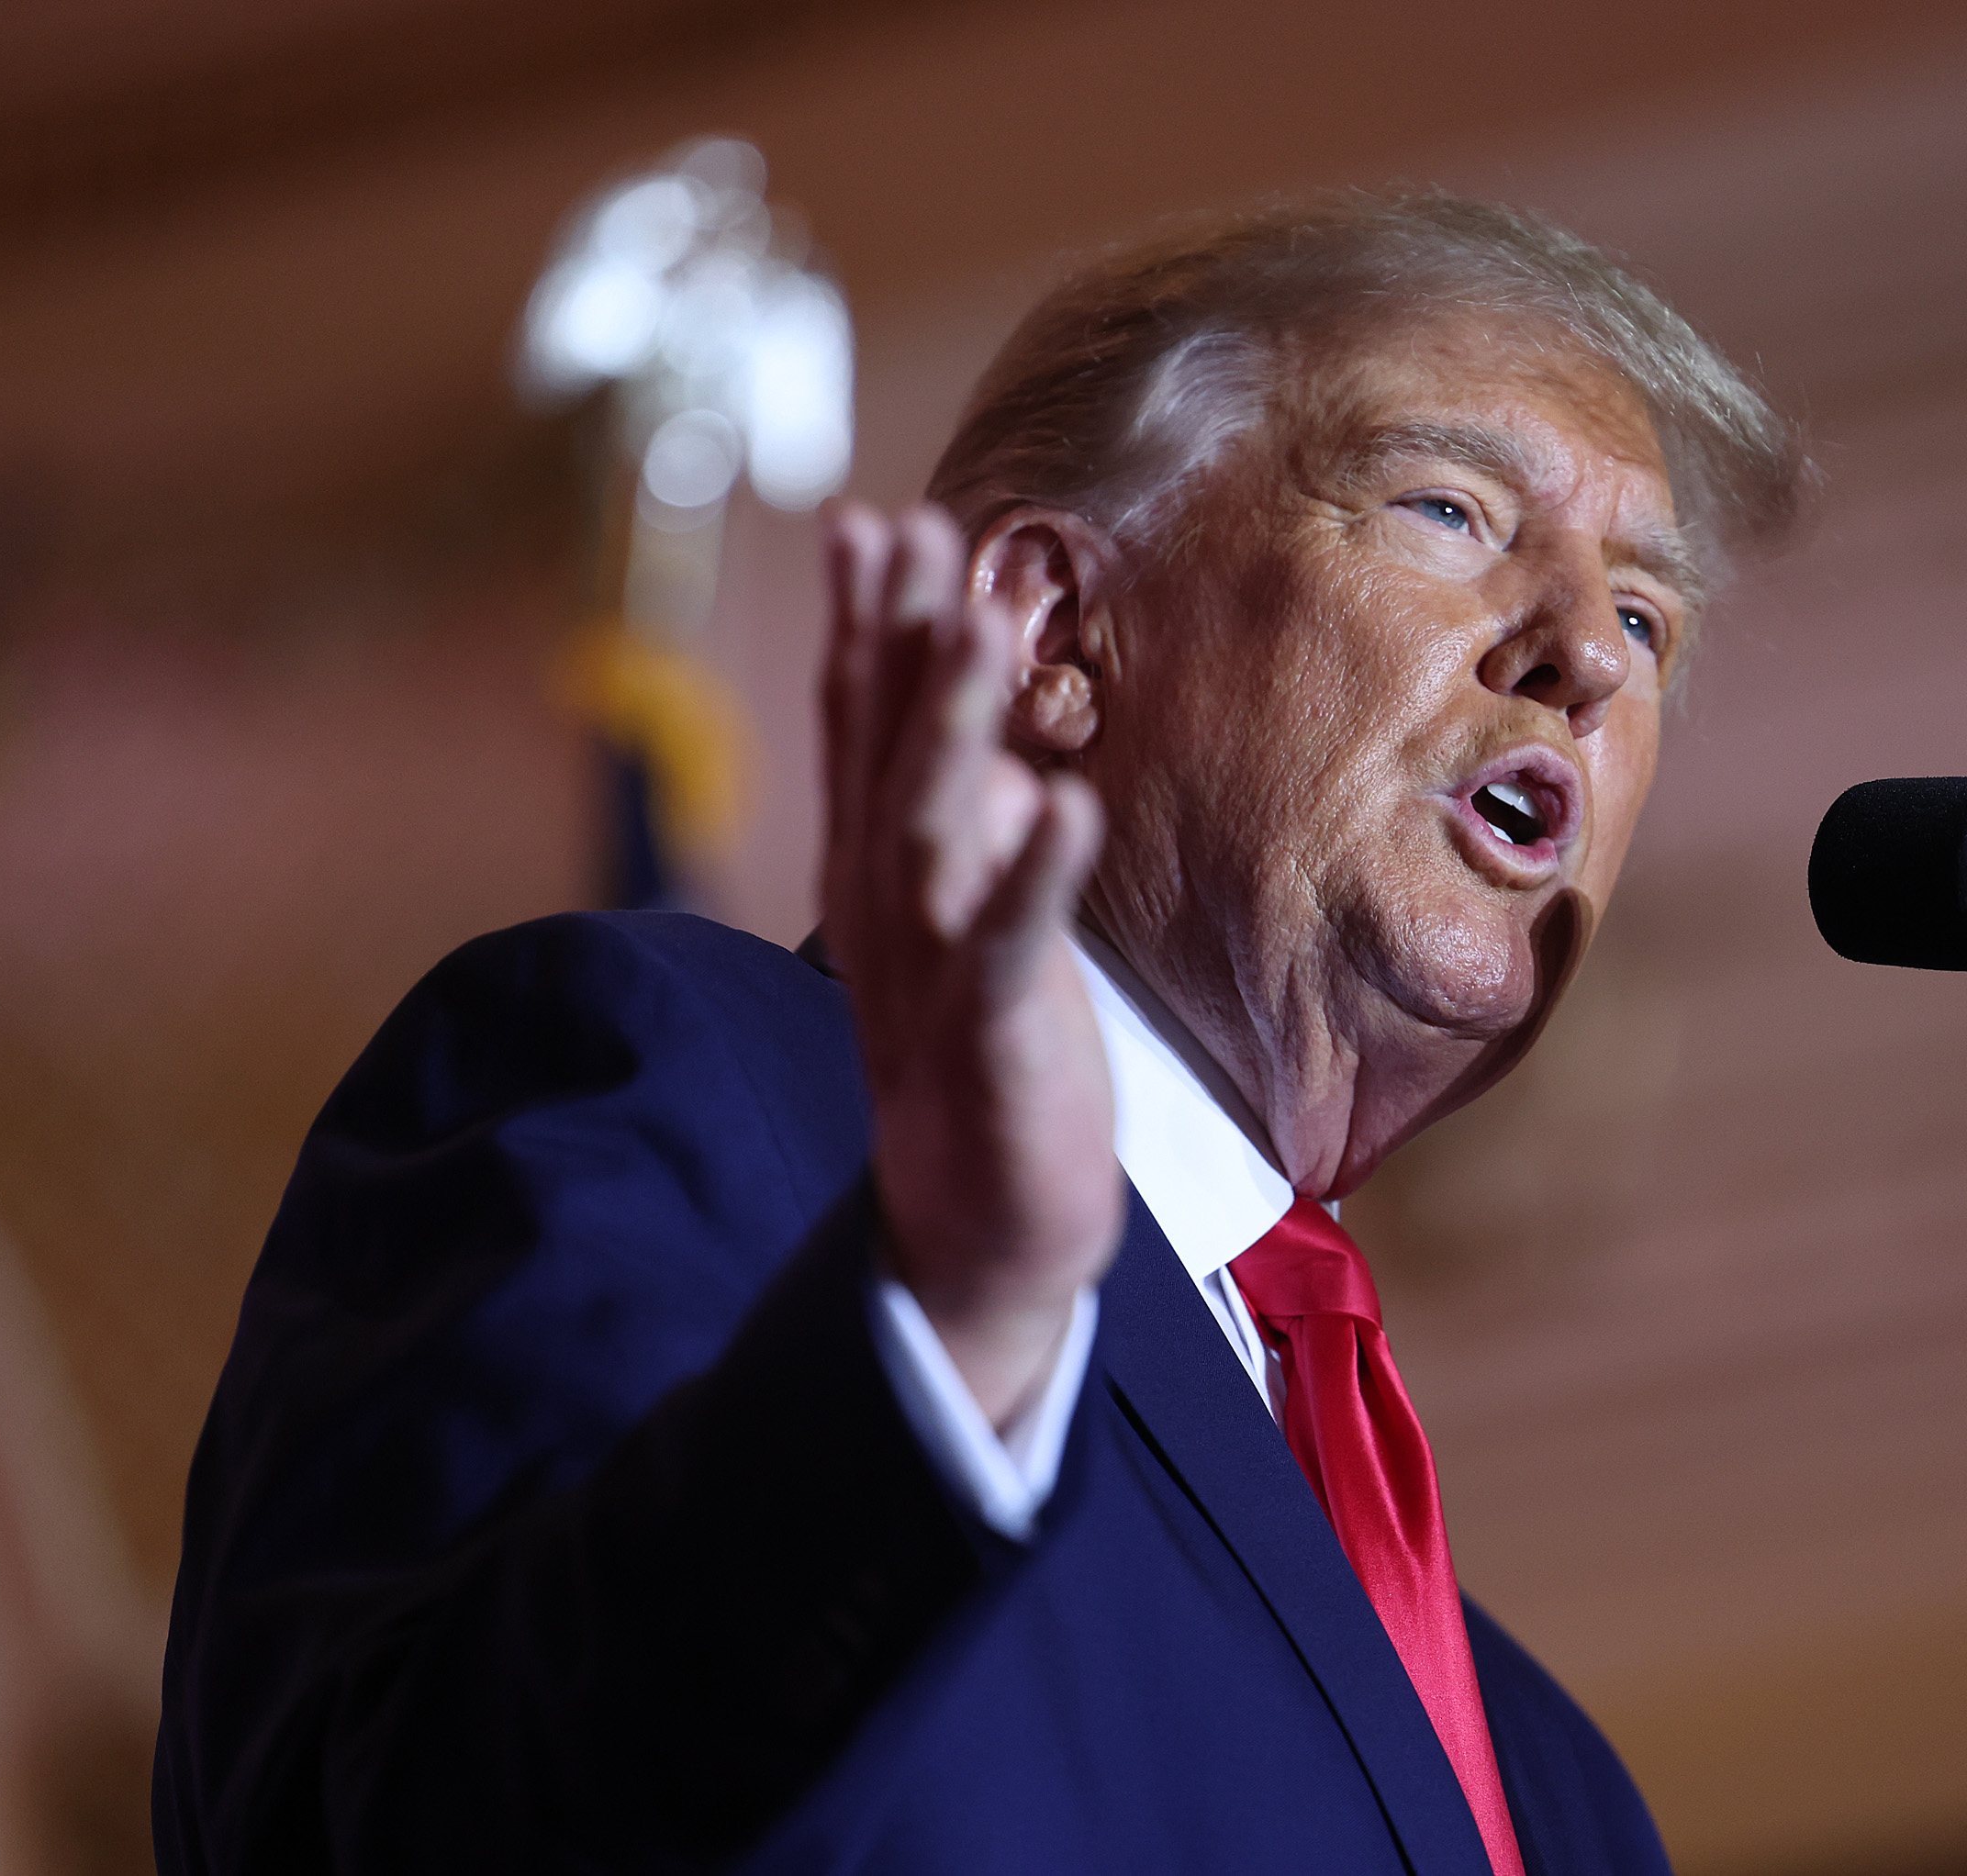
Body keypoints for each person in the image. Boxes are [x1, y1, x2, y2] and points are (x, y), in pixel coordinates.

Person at [151, 191, 1805, 1875]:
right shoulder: (679, 1085)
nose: (1590, 655)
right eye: (1450, 510)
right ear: (1056, 632)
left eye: (1650, 619)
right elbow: (409, 1826)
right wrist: (947, 1334)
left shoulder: (1561, 1795)